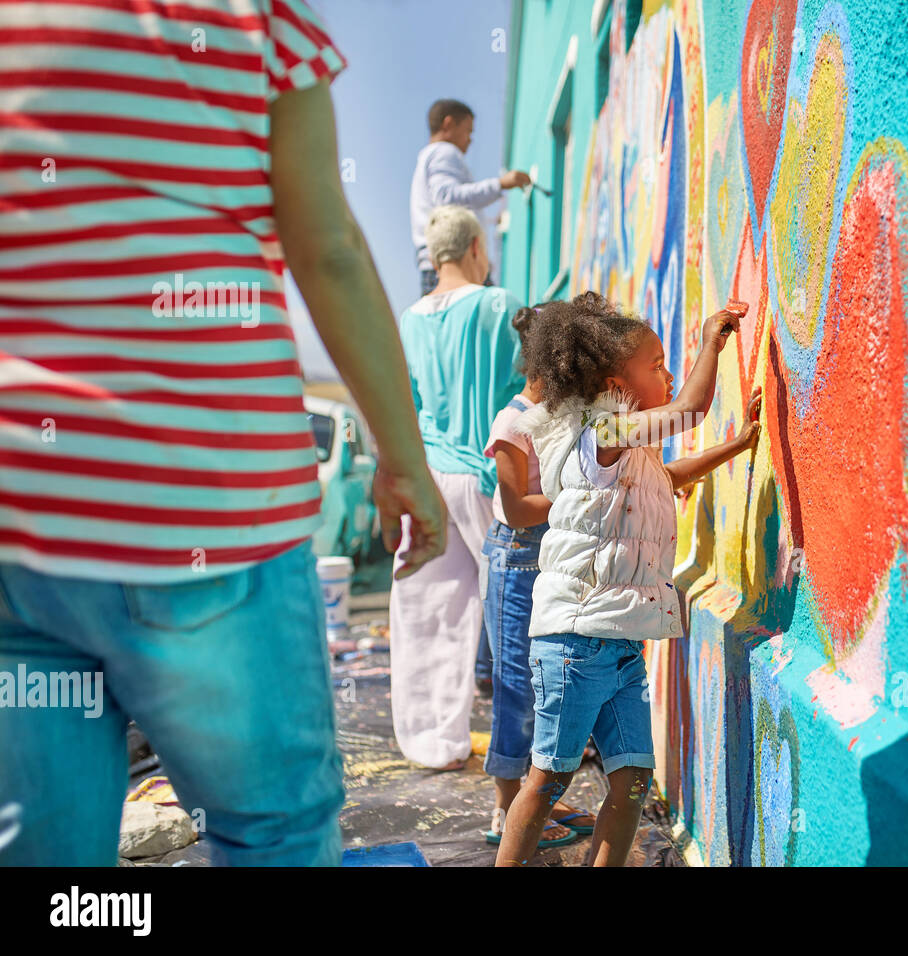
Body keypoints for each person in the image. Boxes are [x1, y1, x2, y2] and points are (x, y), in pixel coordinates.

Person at [0, 0, 445, 866]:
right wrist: (404, 461)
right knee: (271, 833)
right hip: (209, 514)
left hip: (23, 523)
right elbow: (330, 253)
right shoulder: (255, 19)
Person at [495, 293, 762, 867]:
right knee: (547, 780)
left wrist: (736, 446)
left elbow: (670, 474)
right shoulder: (600, 432)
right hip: (573, 643)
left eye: (668, 363)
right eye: (657, 365)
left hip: (617, 646)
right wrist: (711, 337)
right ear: (618, 383)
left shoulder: (629, 450)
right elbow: (691, 407)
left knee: (634, 777)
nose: (667, 375)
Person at [390, 205, 524, 771]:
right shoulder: (501, 306)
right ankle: (518, 753)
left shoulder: (408, 317)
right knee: (512, 614)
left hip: (427, 476)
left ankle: (431, 743)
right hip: (485, 475)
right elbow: (526, 390)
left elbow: (406, 403)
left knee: (427, 609)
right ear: (475, 247)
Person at [479, 306, 598, 851]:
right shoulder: (512, 422)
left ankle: (536, 798)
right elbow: (519, 507)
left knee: (543, 681)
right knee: (516, 687)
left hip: (546, 557)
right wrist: (582, 497)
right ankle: (507, 808)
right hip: (516, 558)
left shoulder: (558, 412)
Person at [409, 99, 531, 296]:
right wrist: (501, 184)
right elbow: (447, 198)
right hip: (456, 264)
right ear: (448, 125)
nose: (470, 139)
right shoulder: (445, 152)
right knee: (495, 319)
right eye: (468, 131)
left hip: (437, 265)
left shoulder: (427, 158)